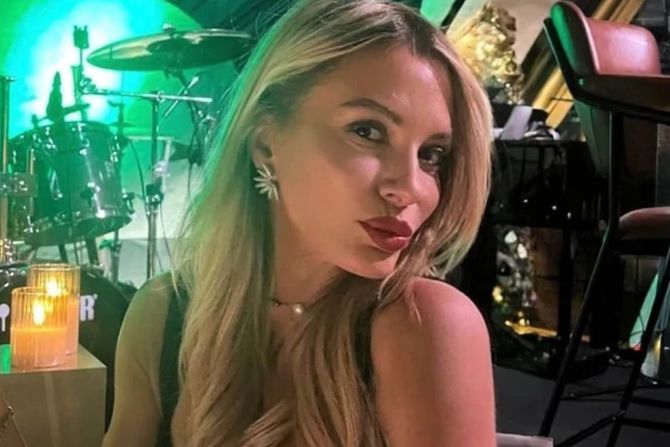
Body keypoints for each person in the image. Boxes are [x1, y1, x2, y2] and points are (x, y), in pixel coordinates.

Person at [103, 0, 495, 445]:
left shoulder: (427, 325)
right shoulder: (160, 318)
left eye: (431, 155)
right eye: (367, 131)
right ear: (266, 145)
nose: (410, 188)